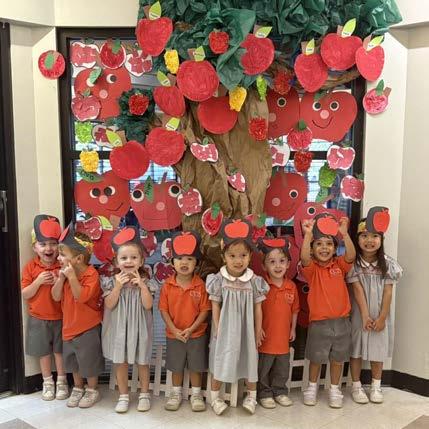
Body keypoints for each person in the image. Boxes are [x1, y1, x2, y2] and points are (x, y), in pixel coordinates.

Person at [206, 219, 269, 416]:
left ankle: (251, 396)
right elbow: (215, 305)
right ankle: (215, 397)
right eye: (232, 255)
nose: (238, 260)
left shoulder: (254, 281)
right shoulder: (218, 280)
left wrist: (257, 330)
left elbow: (258, 308)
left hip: (246, 329)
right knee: (220, 360)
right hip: (225, 329)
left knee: (250, 359)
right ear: (224, 256)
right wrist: (218, 329)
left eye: (243, 255)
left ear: (250, 256)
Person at [347, 207, 403, 404]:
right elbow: (357, 290)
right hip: (358, 313)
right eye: (364, 236)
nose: (369, 240)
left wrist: (381, 318)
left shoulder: (388, 264)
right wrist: (364, 316)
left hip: (380, 313)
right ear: (357, 238)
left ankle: (376, 386)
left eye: (374, 236)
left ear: (381, 239)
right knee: (356, 349)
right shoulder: (353, 264)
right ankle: (356, 386)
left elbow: (388, 292)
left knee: (377, 349)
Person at [300, 213, 356, 408]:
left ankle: (334, 389)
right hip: (319, 323)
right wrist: (308, 235)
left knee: (338, 359)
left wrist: (344, 234)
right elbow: (304, 258)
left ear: (335, 247)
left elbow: (351, 255)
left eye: (329, 244)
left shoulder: (339, 265)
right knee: (316, 358)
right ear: (313, 248)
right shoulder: (312, 269)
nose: (324, 248)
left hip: (342, 322)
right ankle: (312, 387)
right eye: (319, 244)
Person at [101, 226, 157, 413]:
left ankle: (144, 395)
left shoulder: (147, 283)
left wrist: (142, 286)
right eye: (124, 258)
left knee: (143, 362)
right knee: (121, 362)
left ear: (141, 261)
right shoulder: (111, 282)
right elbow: (109, 304)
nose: (129, 261)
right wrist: (118, 287)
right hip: (119, 329)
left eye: (134, 257)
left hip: (140, 329)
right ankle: (123, 396)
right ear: (117, 261)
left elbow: (148, 305)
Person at [51, 222, 104, 409]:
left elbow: (81, 297)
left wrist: (72, 277)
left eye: (63, 254)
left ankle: (92, 389)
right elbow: (56, 296)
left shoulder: (91, 275)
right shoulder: (65, 274)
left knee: (89, 361)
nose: (58, 258)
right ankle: (78, 387)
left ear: (79, 258)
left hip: (87, 327)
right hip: (69, 328)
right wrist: (61, 278)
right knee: (73, 361)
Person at [159, 231, 210, 412]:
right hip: (174, 335)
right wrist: (173, 329)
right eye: (179, 258)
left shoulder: (200, 285)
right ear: (172, 262)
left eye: (189, 259)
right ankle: (176, 394)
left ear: (196, 262)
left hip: (196, 334)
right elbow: (163, 310)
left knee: (196, 366)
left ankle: (196, 394)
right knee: (176, 366)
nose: (184, 263)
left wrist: (192, 328)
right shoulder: (167, 285)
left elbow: (205, 310)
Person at [21, 215, 68, 401]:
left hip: (61, 316)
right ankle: (47, 382)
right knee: (44, 353)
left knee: (60, 351)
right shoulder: (30, 267)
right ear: (35, 247)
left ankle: (62, 381)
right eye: (42, 244)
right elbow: (25, 294)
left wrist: (60, 280)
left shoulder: (62, 266)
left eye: (53, 244)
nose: (48, 248)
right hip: (38, 318)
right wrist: (38, 281)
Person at [257, 238, 299, 409]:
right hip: (265, 337)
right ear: (264, 266)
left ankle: (280, 391)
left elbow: (295, 310)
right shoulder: (261, 285)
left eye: (282, 261)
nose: (277, 266)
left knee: (282, 368)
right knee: (264, 369)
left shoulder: (291, 286)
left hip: (283, 338)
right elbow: (256, 309)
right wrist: (258, 328)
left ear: (288, 264)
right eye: (272, 262)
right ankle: (264, 393)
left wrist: (293, 329)